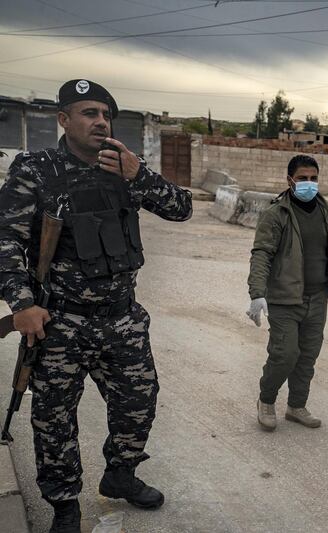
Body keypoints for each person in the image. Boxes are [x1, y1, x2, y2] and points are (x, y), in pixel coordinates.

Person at [0, 79, 193, 533]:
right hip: (59, 321)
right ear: (63, 120)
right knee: (54, 419)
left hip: (123, 319)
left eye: (106, 114)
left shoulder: (125, 168)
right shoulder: (36, 168)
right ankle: (65, 506)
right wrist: (22, 303)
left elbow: (182, 208)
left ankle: (120, 474)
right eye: (88, 112)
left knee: (138, 404)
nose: (100, 121)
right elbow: (5, 239)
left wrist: (138, 175)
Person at [247, 154, 328, 432]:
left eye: (313, 179)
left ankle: (296, 406)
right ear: (289, 181)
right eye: (302, 179)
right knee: (284, 354)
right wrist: (256, 292)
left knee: (307, 356)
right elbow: (262, 254)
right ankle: (266, 401)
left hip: (318, 298)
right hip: (285, 299)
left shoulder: (326, 212)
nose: (309, 184)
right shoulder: (277, 214)